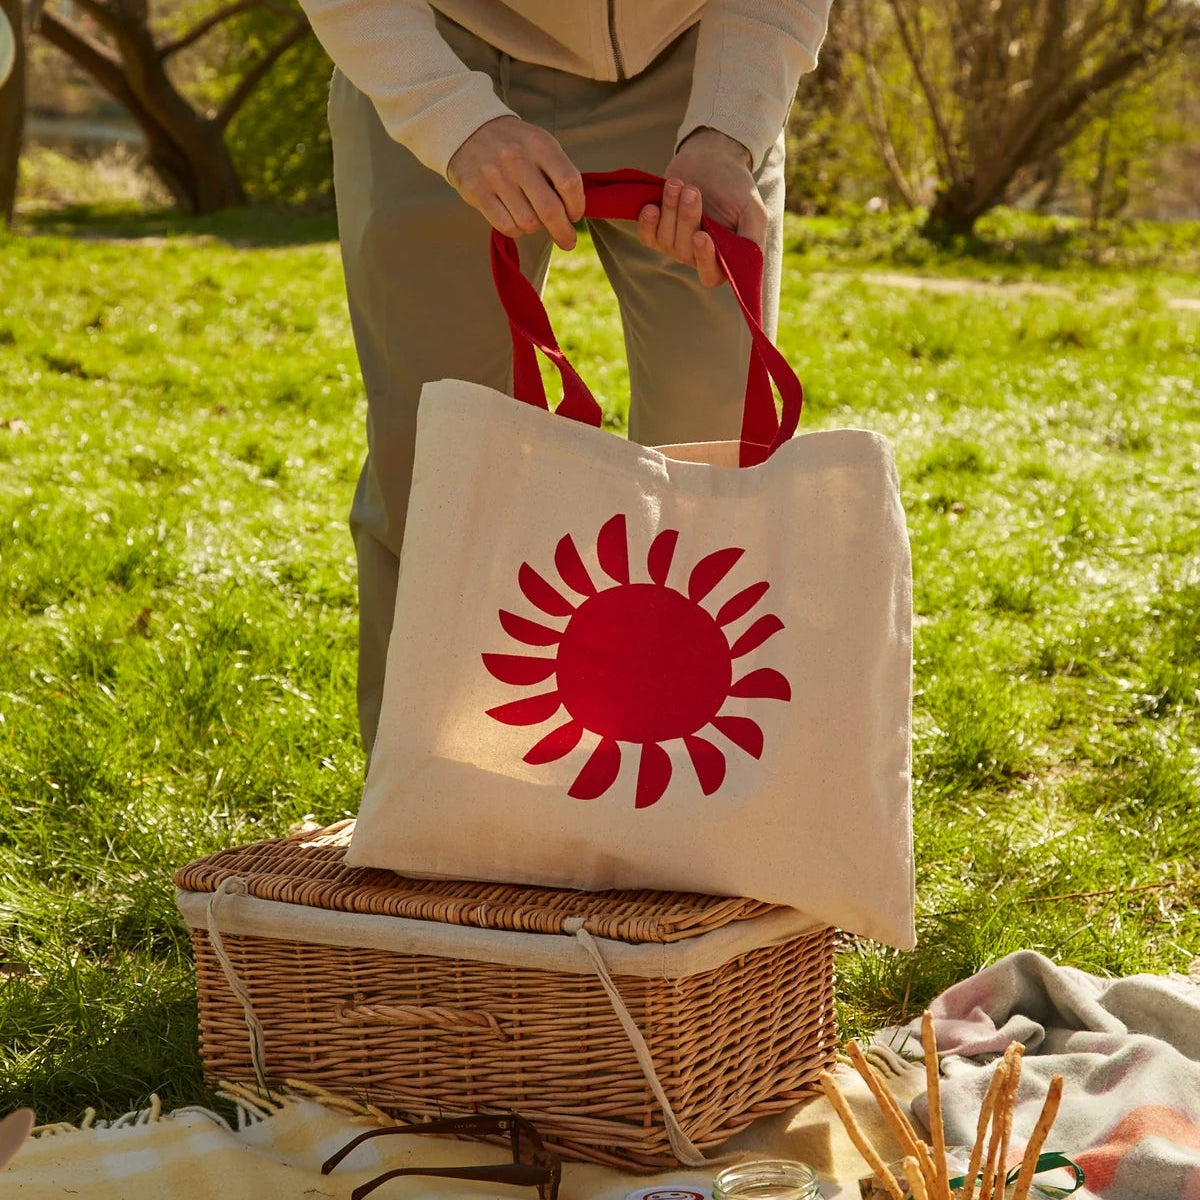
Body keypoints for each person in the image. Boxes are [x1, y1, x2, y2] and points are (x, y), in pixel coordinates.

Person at [296, 1, 834, 757]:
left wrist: (729, 131)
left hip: (697, 66)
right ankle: (427, 804)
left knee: (718, 462)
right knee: (437, 464)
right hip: (445, 44)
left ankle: (697, 805)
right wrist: (452, 116)